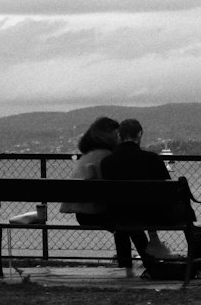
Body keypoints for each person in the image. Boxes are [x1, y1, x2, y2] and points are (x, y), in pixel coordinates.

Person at [99, 118, 201, 273]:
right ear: (139, 134)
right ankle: (200, 262)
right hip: (155, 216)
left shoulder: (107, 163)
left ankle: (138, 263)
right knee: (187, 212)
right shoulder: (152, 159)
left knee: (128, 211)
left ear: (120, 136)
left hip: (122, 216)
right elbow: (170, 193)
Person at [58, 116, 142, 276]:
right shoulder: (106, 156)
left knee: (124, 221)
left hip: (82, 215)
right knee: (128, 221)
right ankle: (149, 261)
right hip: (95, 213)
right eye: (117, 134)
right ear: (110, 135)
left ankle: (128, 264)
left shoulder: (87, 155)